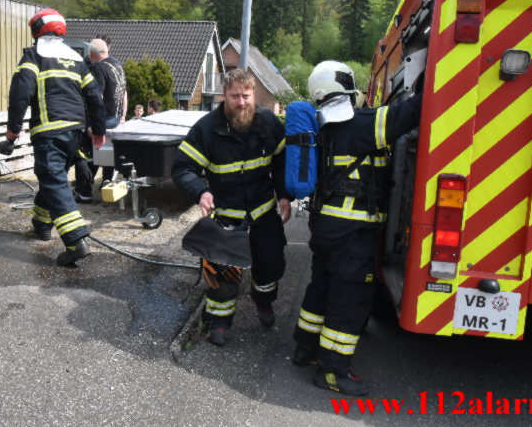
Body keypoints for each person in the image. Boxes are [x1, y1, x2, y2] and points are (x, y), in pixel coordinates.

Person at [291, 61, 421, 396]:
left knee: (320, 288)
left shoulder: (318, 126)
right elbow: (406, 116)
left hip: (325, 226)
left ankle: (304, 350)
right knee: (349, 299)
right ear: (347, 86)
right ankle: (333, 372)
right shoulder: (362, 124)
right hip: (353, 230)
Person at [172, 69, 292, 346]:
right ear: (224, 96)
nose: (241, 102)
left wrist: (285, 194)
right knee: (222, 276)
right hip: (226, 217)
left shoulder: (269, 123)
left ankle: (262, 299)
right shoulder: (206, 128)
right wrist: (200, 191)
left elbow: (282, 160)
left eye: (246, 96)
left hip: (263, 213)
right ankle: (220, 320)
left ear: (254, 95)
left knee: (271, 266)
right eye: (234, 96)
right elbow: (182, 168)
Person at [5, 8, 106, 267]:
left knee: (53, 181)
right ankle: (41, 225)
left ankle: (76, 243)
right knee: (52, 176)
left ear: (36, 30)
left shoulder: (34, 56)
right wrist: (99, 130)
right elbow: (94, 96)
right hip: (75, 133)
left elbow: (21, 92)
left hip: (49, 132)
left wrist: (12, 131)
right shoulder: (76, 59)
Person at [72, 38, 127, 201]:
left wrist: (94, 126)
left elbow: (97, 99)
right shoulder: (117, 65)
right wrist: (122, 116)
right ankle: (104, 183)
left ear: (90, 54)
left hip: (105, 118)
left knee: (82, 152)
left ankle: (84, 192)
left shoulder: (98, 68)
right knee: (99, 153)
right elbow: (123, 94)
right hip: (115, 118)